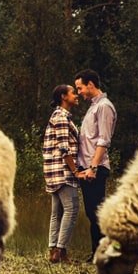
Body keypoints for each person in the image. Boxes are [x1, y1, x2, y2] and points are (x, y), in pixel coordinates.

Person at [74, 69, 117, 261]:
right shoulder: (93, 107)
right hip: (87, 168)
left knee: (97, 212)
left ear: (90, 84)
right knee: (93, 213)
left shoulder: (104, 107)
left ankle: (106, 253)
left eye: (80, 87)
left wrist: (93, 167)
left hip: (95, 168)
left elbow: (103, 140)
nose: (79, 92)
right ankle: (99, 252)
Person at [42, 84, 80, 263]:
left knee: (57, 212)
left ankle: (53, 250)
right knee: (71, 210)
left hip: (53, 171)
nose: (77, 94)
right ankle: (60, 250)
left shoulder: (57, 116)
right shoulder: (62, 118)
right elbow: (65, 148)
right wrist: (75, 171)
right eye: (73, 92)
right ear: (64, 97)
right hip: (63, 171)